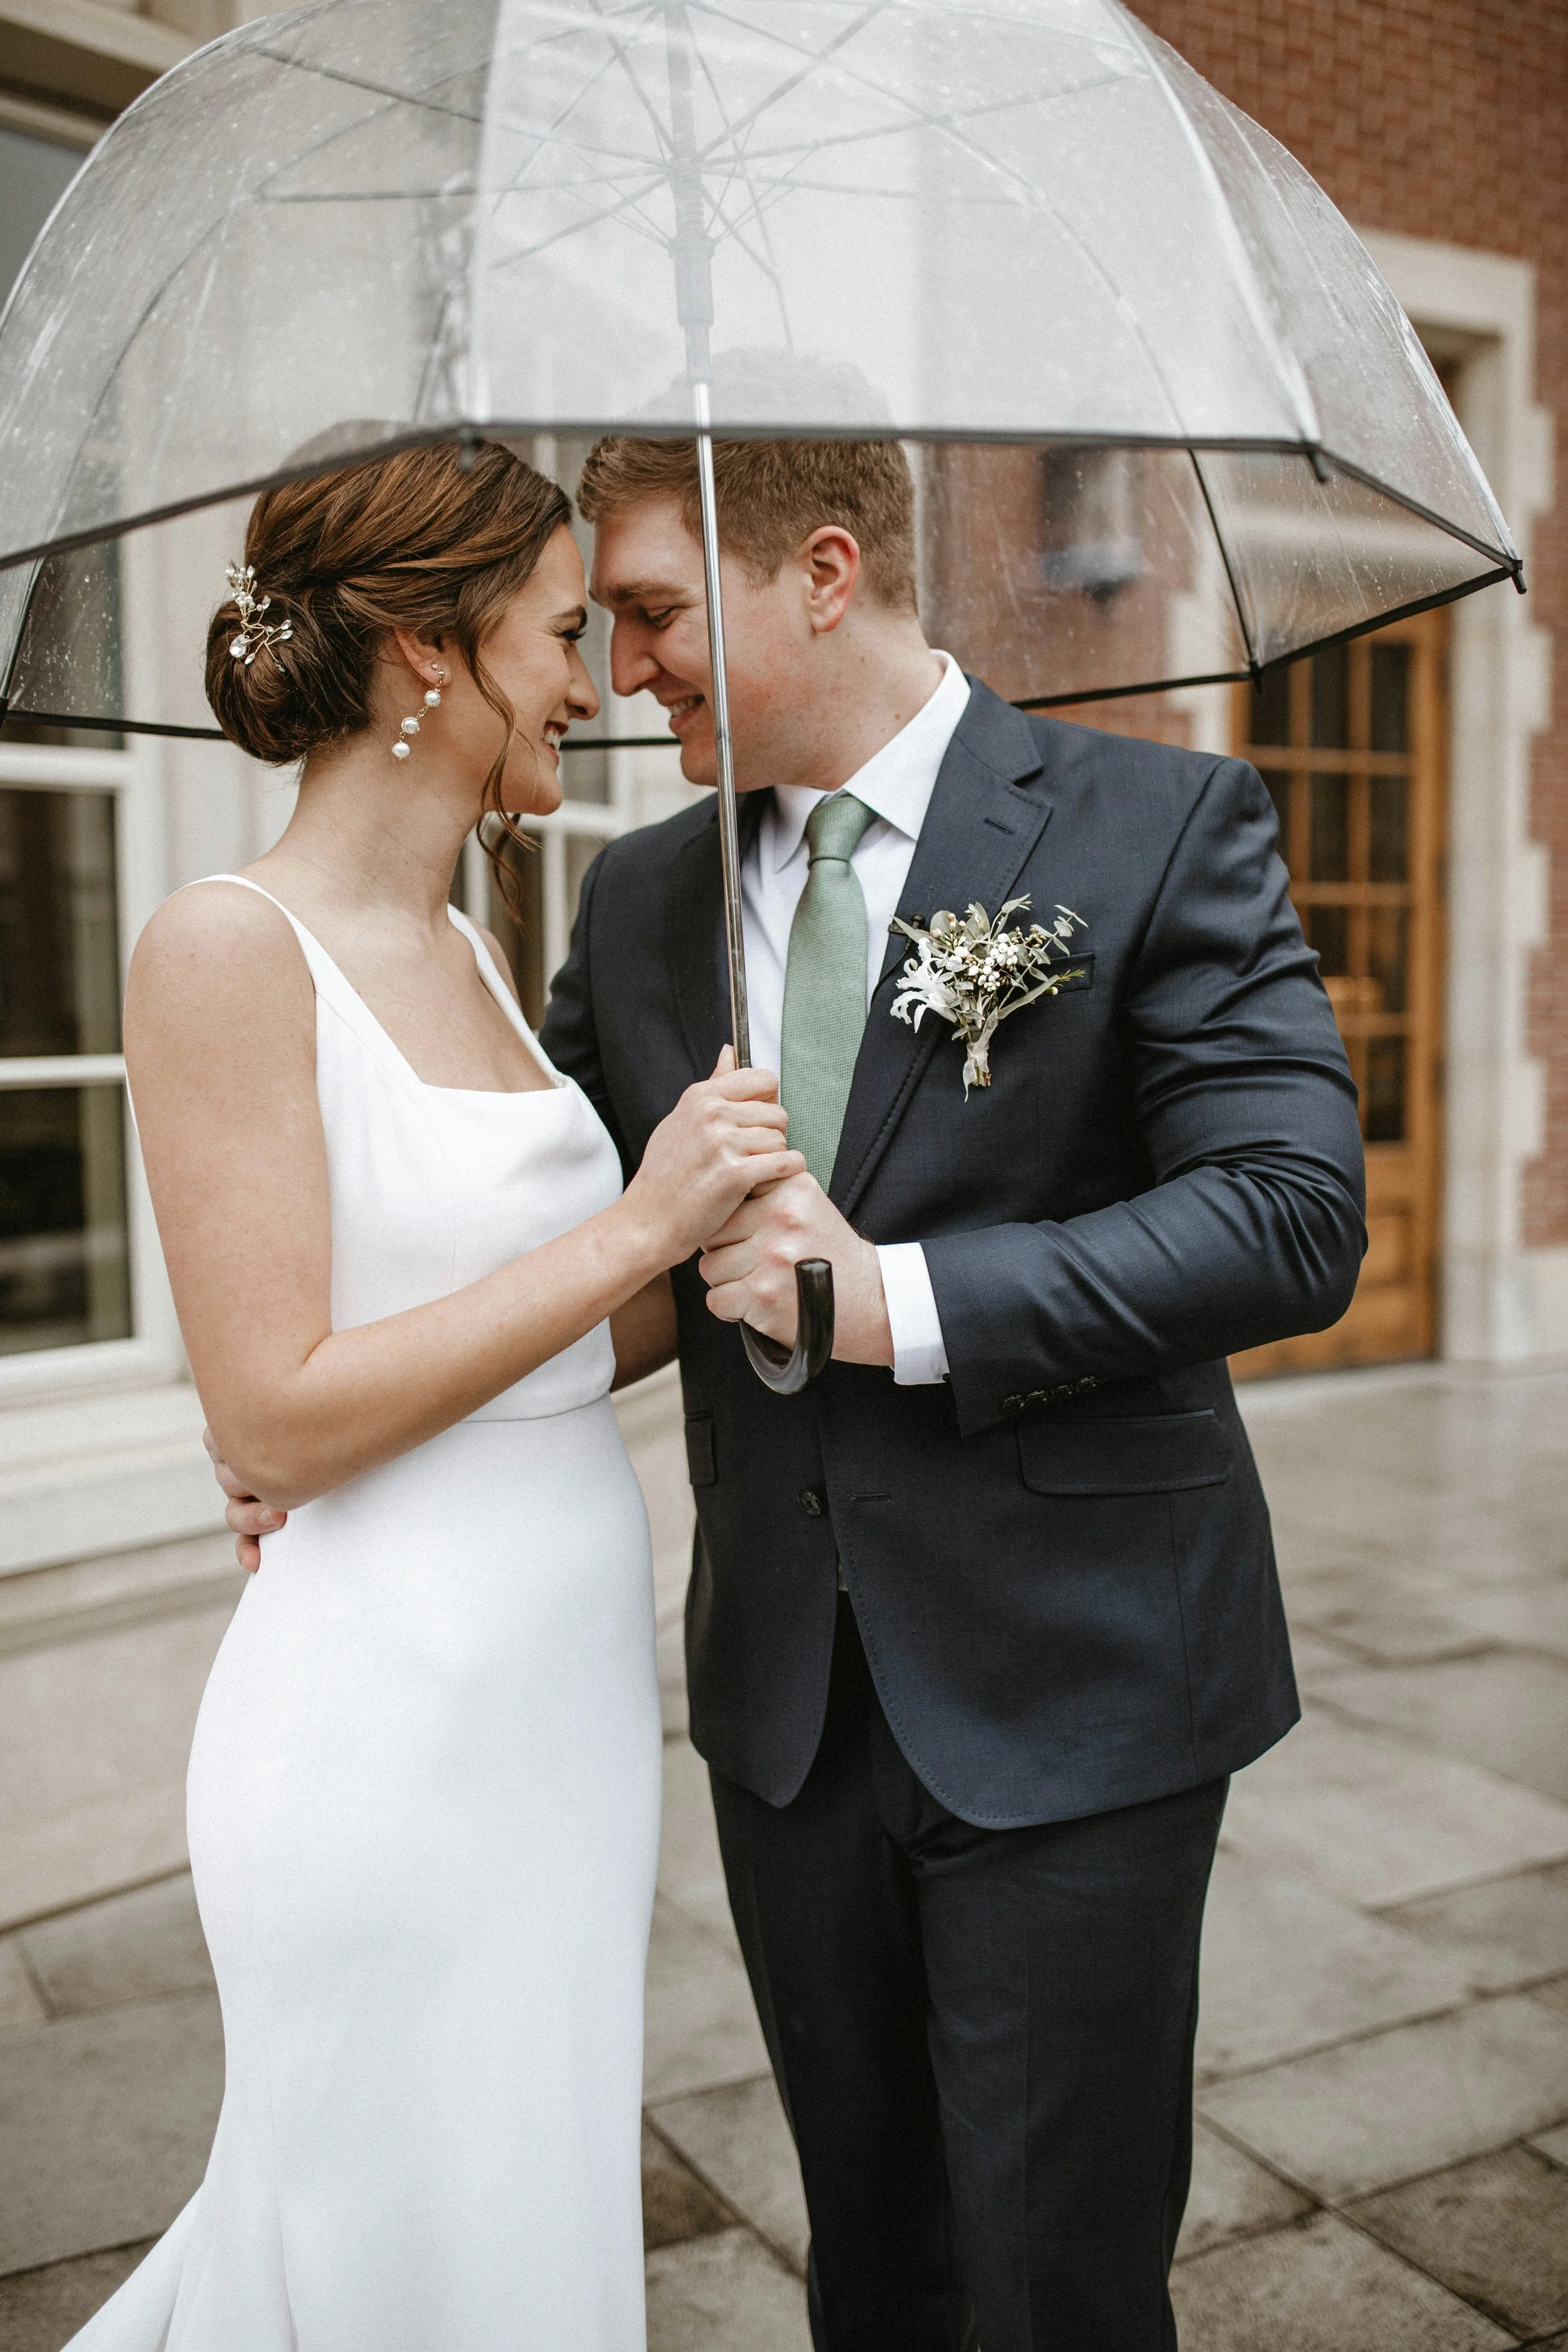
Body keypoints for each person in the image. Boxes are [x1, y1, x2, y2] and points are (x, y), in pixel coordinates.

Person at [219, 430, 1367, 2351]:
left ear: (820, 575)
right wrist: (312, 1424)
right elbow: (550, 1247)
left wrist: (894, 1294)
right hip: (780, 1705)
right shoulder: (647, 897)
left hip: (1076, 1688)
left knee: (1054, 2283)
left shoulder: (1153, 823)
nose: (624, 670)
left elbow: (1287, 1214)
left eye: (657, 612)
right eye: (599, 626)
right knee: (876, 2256)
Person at [68, 441, 802, 2352]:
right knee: (375, 2236)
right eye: (561, 634)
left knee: (513, 2218)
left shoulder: (472, 942)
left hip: (549, 1721)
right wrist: (637, 1217)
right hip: (387, 1735)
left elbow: (535, 1351)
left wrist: (734, 1264)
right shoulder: (226, 946)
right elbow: (277, 1416)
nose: (590, 682)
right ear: (424, 655)